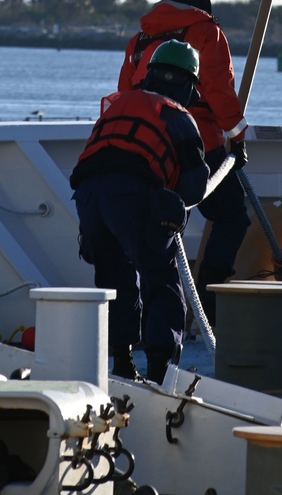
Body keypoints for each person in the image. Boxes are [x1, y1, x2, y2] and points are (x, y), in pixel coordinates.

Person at [117, 0, 249, 321]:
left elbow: (124, 96)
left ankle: (147, 317)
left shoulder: (139, 40)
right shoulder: (207, 33)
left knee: (154, 229)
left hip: (147, 151)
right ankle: (209, 303)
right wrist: (238, 139)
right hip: (198, 145)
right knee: (232, 216)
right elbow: (220, 93)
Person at [70, 39, 209, 382]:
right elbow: (194, 187)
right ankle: (162, 368)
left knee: (114, 279)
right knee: (159, 277)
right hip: (130, 195)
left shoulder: (118, 104)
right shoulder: (177, 115)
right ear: (188, 84)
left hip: (87, 196)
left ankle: (122, 362)